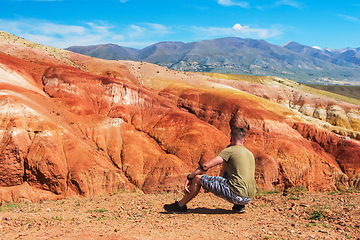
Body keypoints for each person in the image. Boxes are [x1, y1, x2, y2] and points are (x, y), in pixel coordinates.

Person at [163, 127, 257, 213]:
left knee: (198, 179)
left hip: (236, 195)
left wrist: (190, 177)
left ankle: (180, 206)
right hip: (249, 197)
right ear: (244, 140)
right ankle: (239, 207)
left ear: (230, 139)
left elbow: (205, 166)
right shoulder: (250, 154)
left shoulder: (230, 150)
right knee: (235, 176)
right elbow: (226, 171)